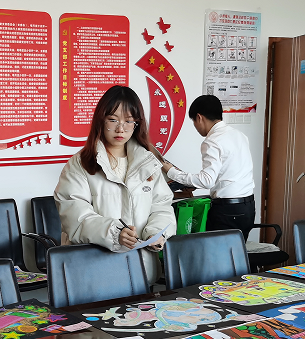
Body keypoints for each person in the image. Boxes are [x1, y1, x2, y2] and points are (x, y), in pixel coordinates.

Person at [54, 85, 176, 286]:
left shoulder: (148, 161)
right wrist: (114, 233)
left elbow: (161, 205)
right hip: (95, 271)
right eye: (113, 120)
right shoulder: (80, 164)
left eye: (128, 121)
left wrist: (156, 232)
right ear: (101, 120)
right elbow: (75, 216)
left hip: (141, 269)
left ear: (137, 123)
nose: (121, 129)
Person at [162, 95, 255, 241]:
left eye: (193, 121)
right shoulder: (240, 135)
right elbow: (227, 174)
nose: (195, 126)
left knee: (217, 252)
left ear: (199, 117)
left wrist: (172, 172)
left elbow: (207, 181)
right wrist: (192, 183)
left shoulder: (212, 141)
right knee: (237, 251)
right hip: (247, 207)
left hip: (227, 211)